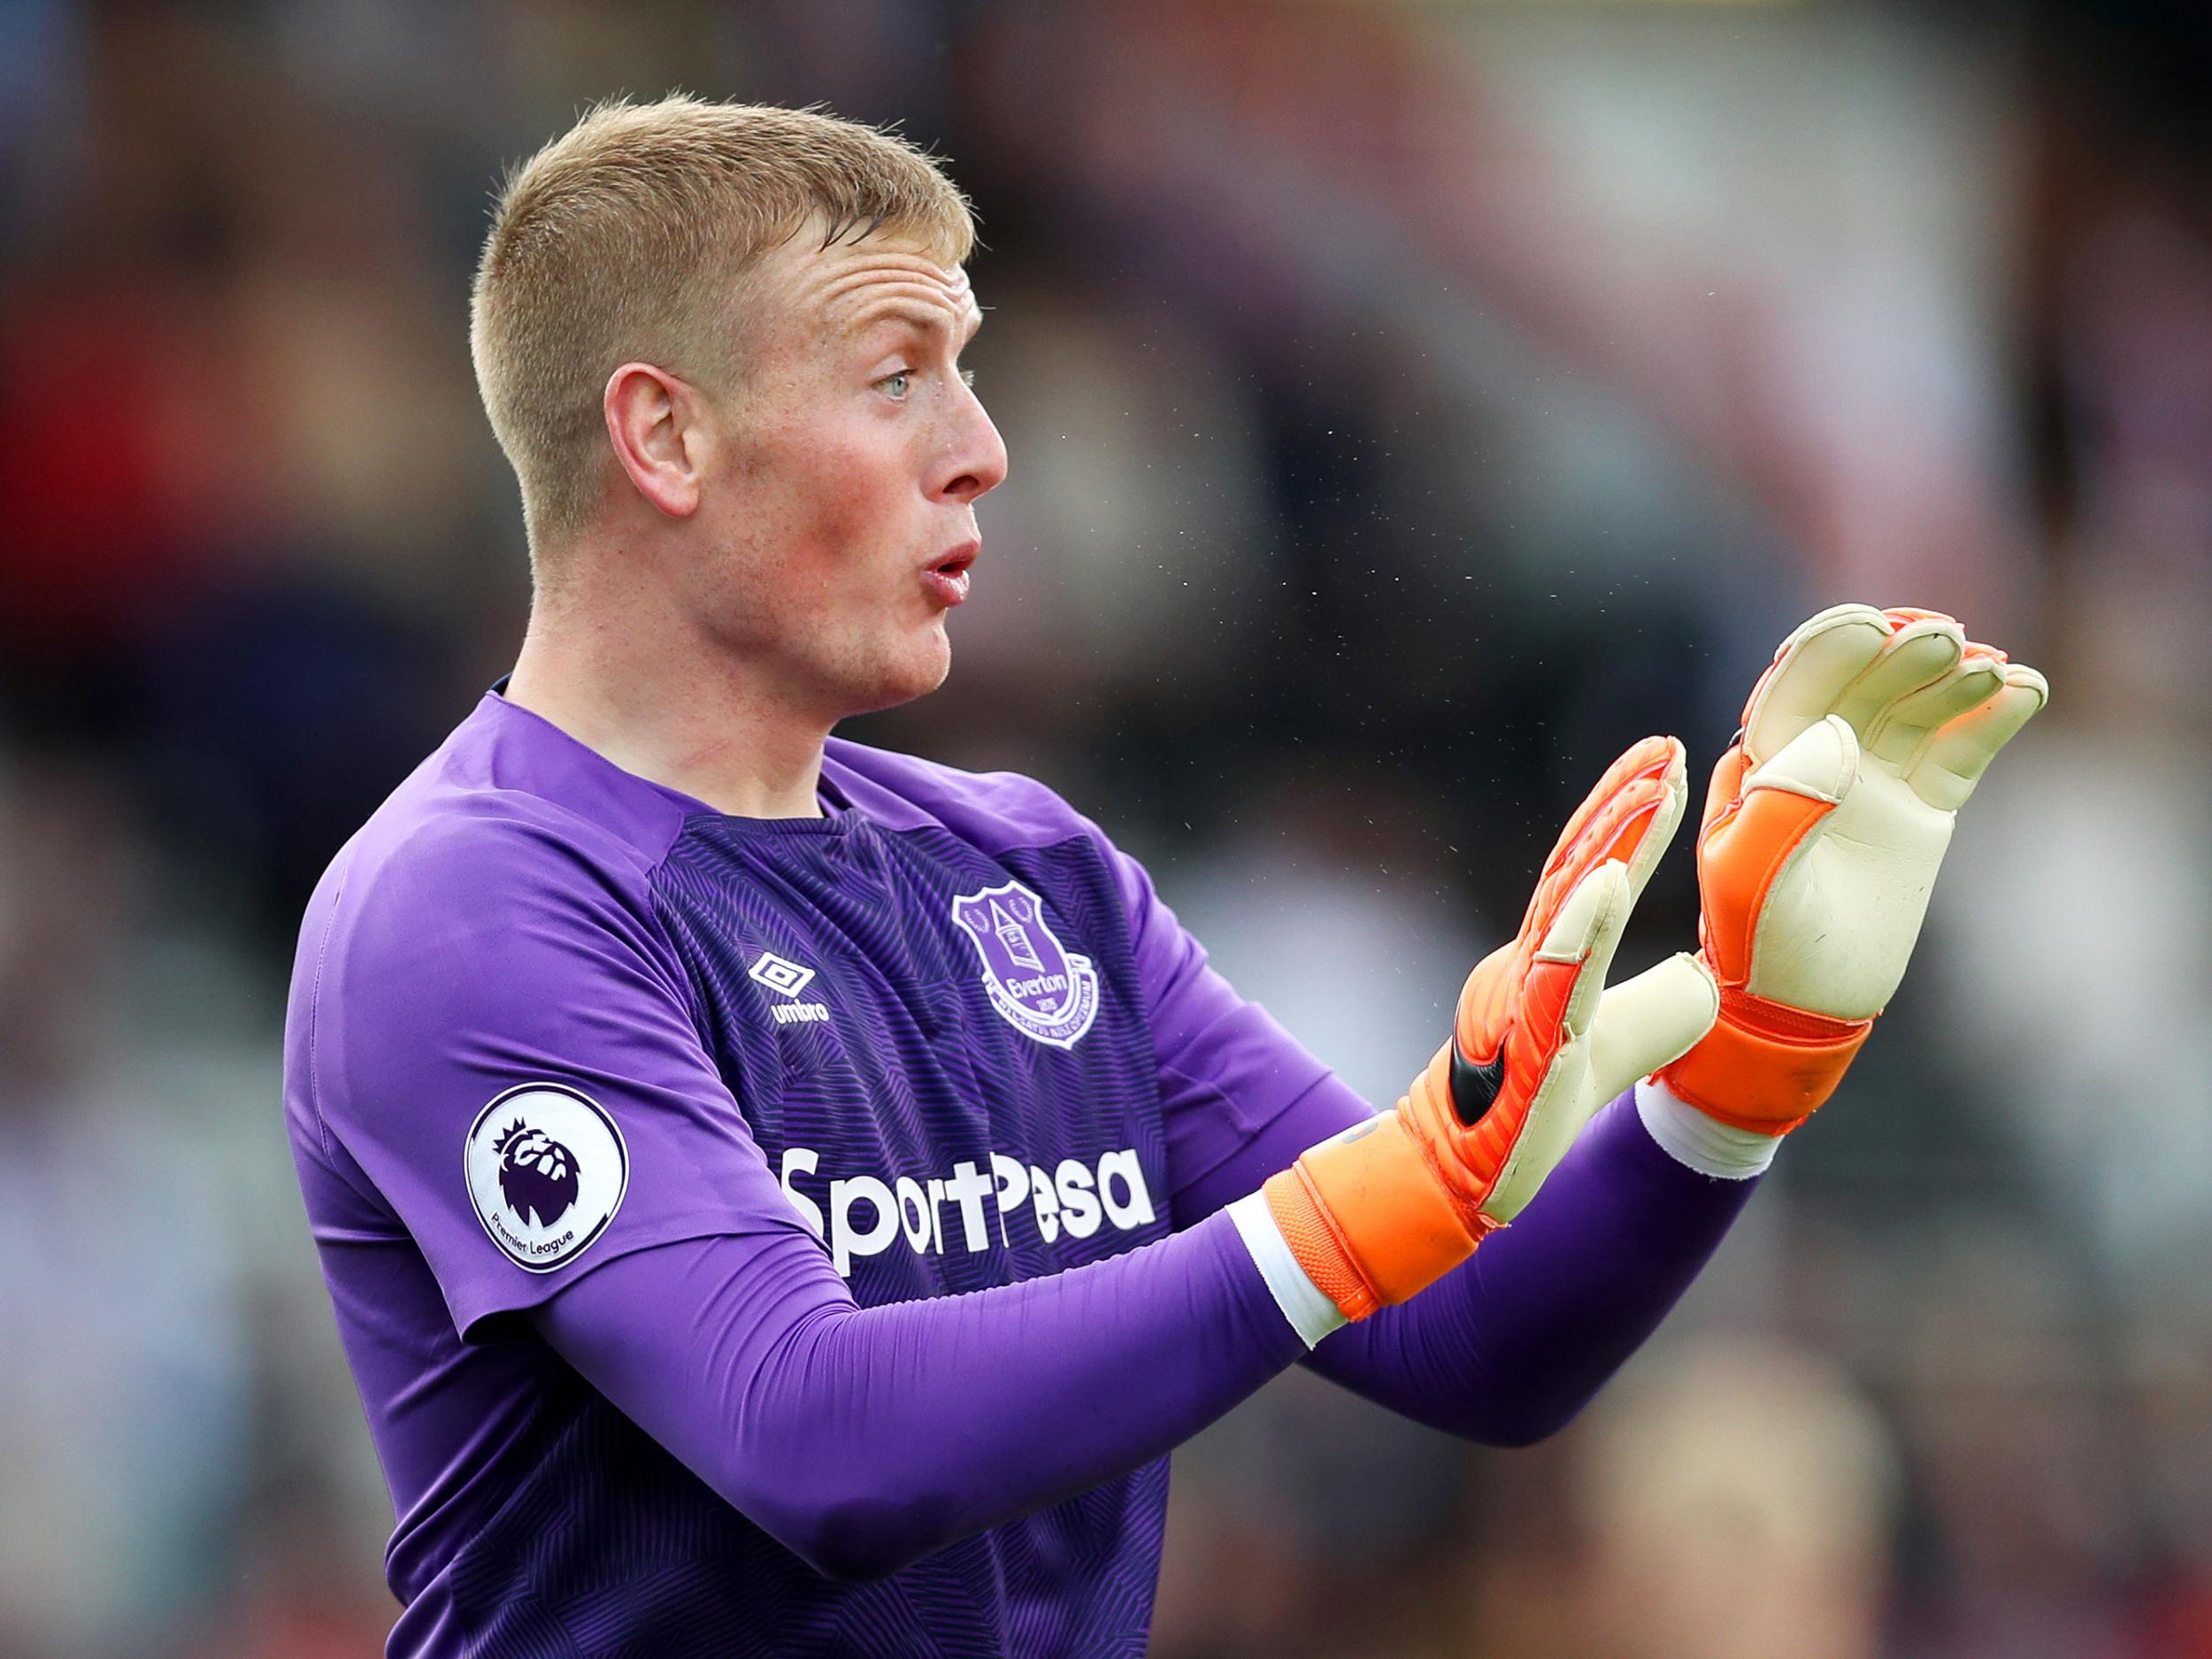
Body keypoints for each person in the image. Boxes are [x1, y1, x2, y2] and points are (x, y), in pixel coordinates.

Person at [283, 96, 2045, 1659]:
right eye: (894, 374)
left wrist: (1748, 1063)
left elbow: (1477, 1342)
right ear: (663, 438)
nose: (977, 447)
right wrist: (1364, 1199)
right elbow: (802, 1429)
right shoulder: (471, 905)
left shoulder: (1031, 880)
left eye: (969, 372)